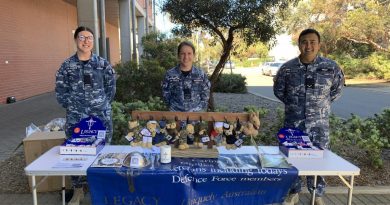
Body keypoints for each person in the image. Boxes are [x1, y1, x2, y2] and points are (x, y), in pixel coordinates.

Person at [273, 28, 344, 205]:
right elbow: (279, 91)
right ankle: (293, 192)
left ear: (319, 45)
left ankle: (317, 194)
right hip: (294, 123)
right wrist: (296, 107)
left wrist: (318, 106)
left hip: (319, 125)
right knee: (291, 158)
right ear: (299, 45)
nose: (308, 45)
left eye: (312, 42)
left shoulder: (331, 67)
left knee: (320, 159)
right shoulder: (287, 69)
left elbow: (336, 91)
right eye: (304, 42)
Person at [55, 26, 116, 205]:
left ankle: (102, 187)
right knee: (77, 153)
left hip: (100, 116)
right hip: (76, 117)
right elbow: (60, 90)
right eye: (82, 37)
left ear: (93, 41)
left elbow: (111, 88)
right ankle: (78, 191)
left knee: (102, 151)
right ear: (76, 40)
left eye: (89, 38)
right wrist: (74, 106)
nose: (86, 41)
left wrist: (101, 105)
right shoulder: (67, 66)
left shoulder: (102, 64)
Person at [162, 41, 210, 112]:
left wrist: (198, 111)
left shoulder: (201, 75)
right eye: (183, 54)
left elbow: (205, 96)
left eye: (189, 53)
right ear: (178, 55)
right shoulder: (170, 75)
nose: (186, 57)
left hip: (195, 118)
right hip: (175, 118)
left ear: (193, 55)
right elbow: (166, 96)